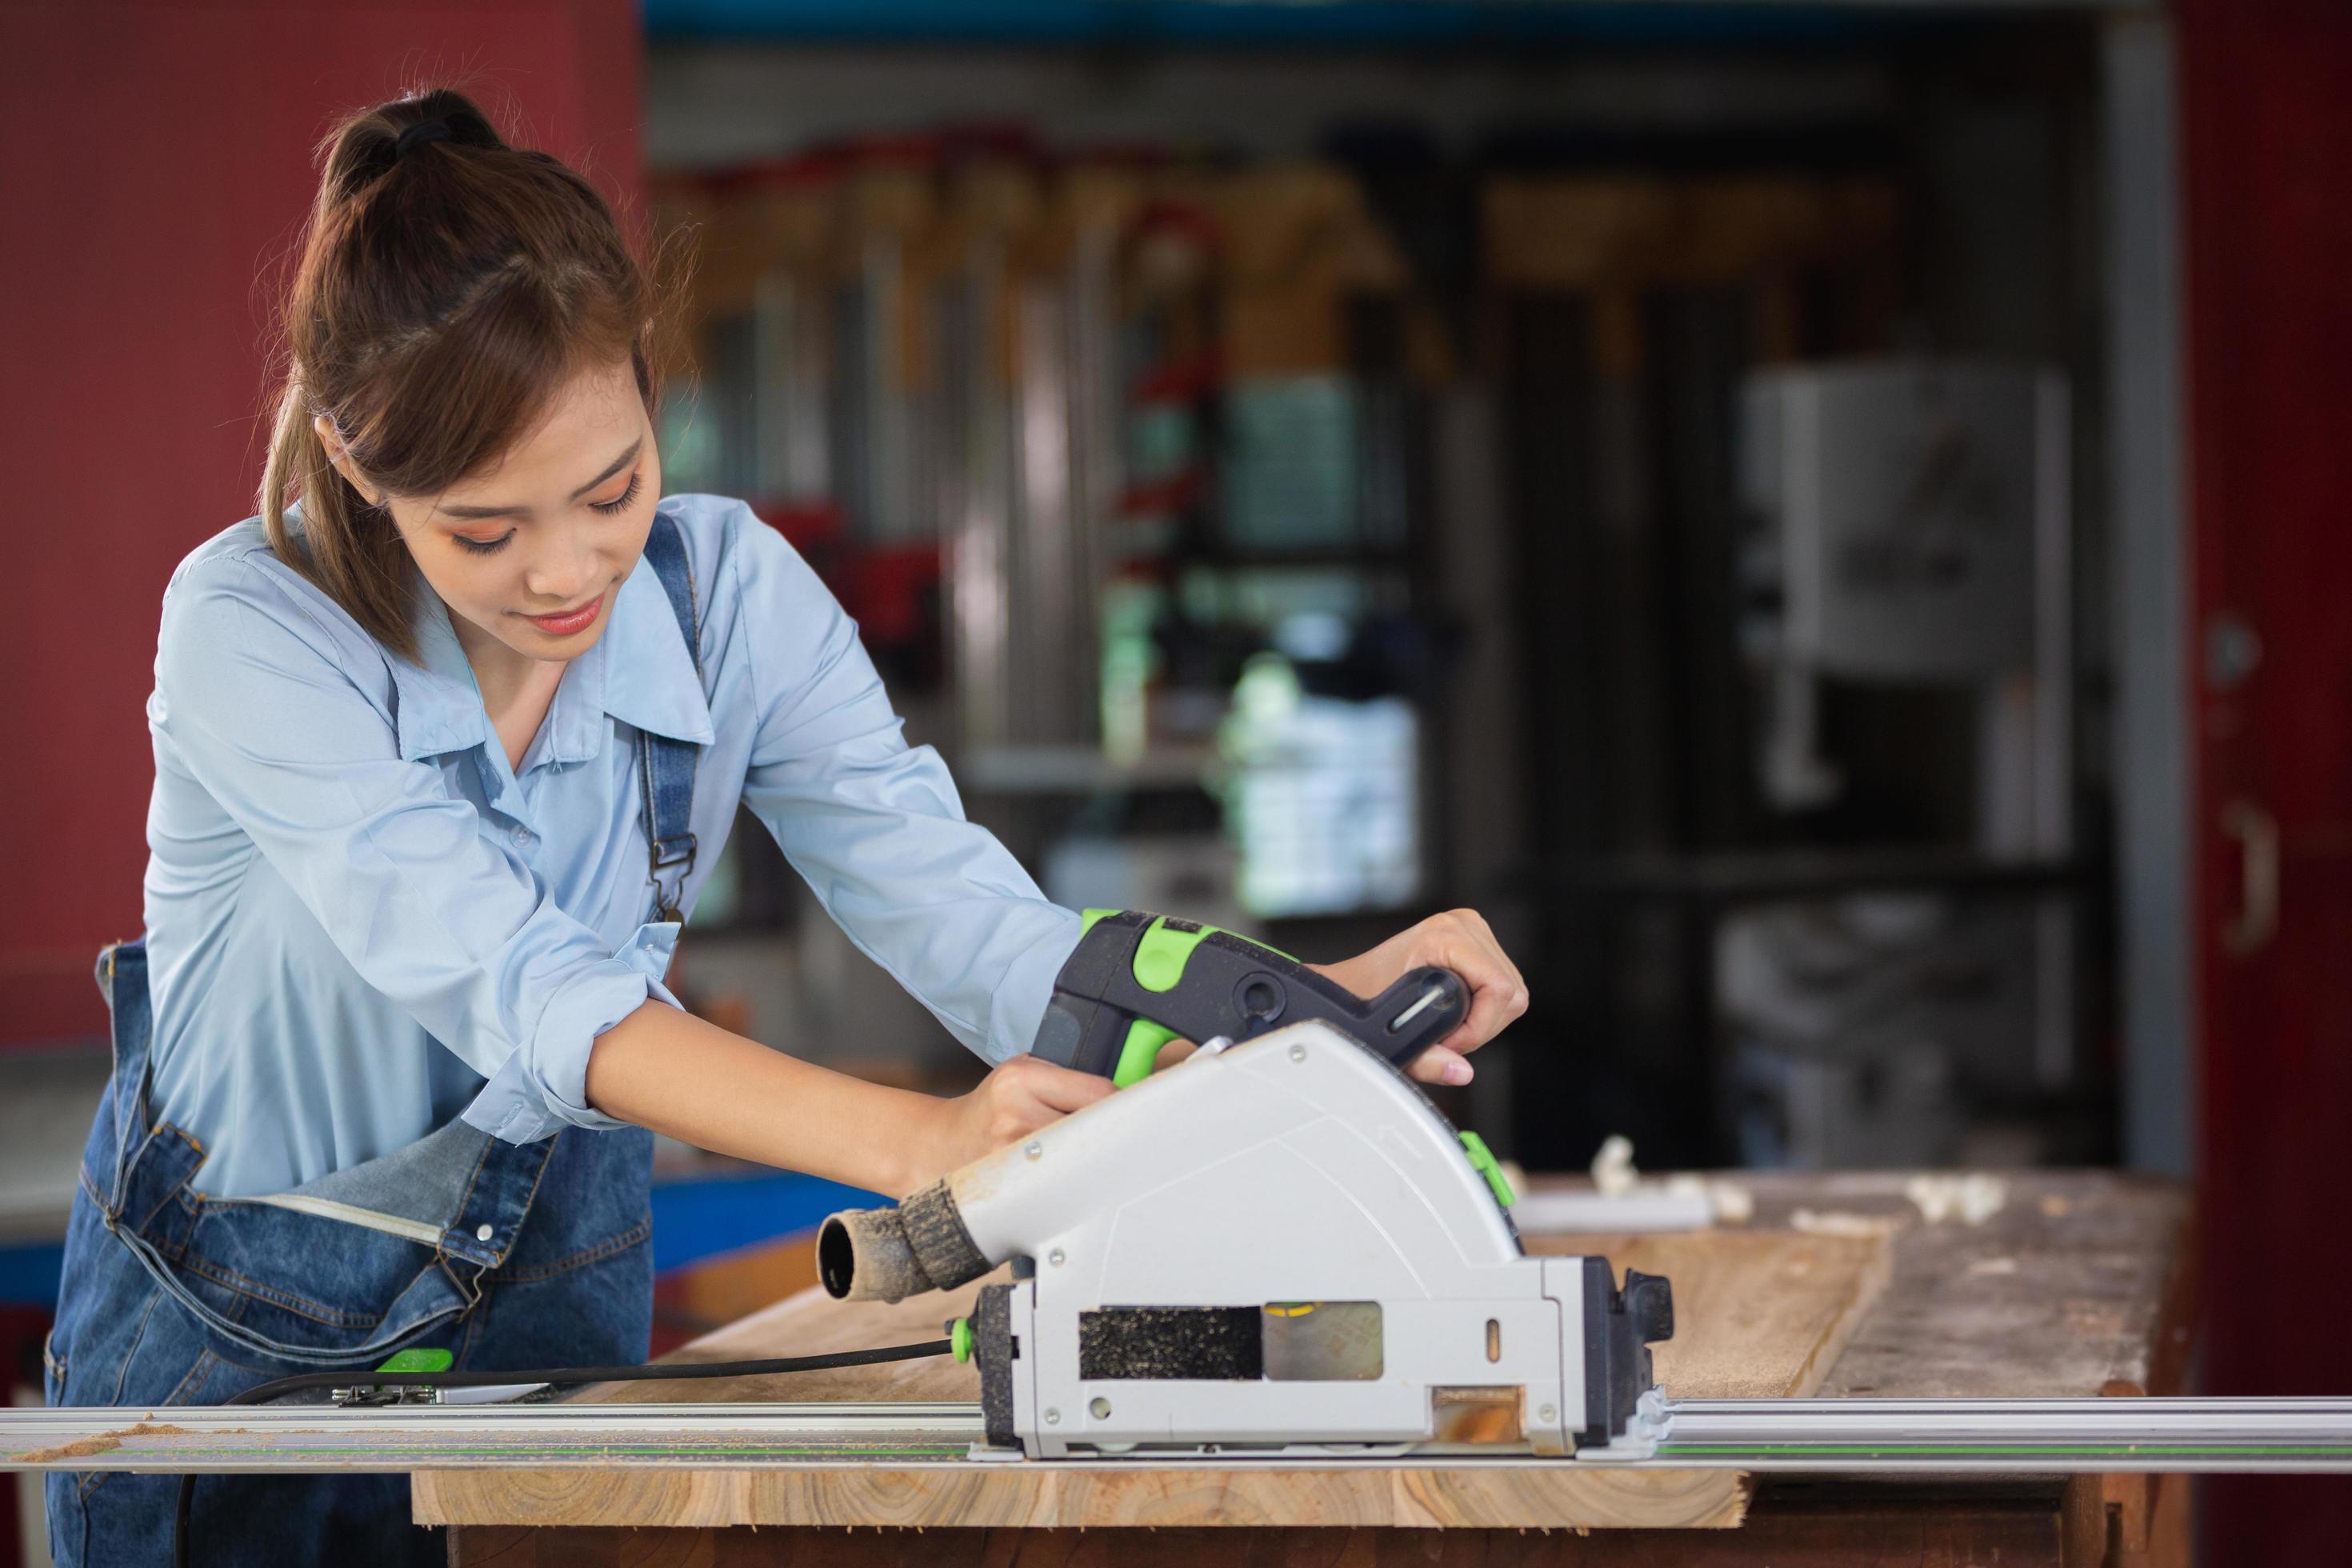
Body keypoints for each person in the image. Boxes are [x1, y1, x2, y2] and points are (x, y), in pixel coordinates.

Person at [41, 87, 1529, 1566]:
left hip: (543, 1333)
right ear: (366, 476)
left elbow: (968, 922)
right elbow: (521, 982)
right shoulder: (253, 623)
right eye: (484, 532)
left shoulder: (730, 594)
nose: (569, 571)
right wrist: (926, 1140)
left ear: (647, 382)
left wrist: (1286, 1031)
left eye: (613, 489)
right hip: (230, 1357)